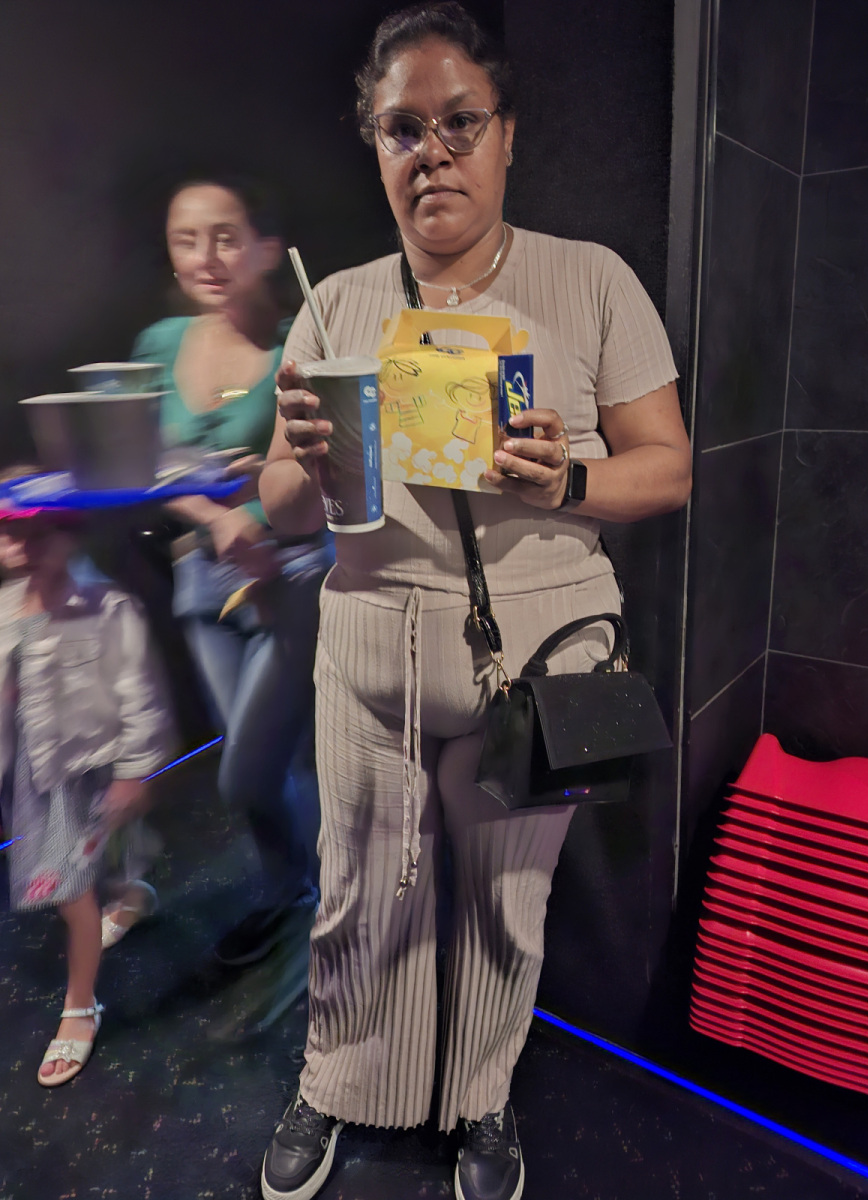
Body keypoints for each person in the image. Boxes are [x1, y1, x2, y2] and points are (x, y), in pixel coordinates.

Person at [258, 5, 692, 1198]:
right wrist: (301, 460)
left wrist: (573, 477)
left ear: (507, 136)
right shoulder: (336, 304)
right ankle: (340, 1082)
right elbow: (281, 506)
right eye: (403, 128)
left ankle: (483, 1098)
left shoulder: (590, 281)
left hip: (544, 646)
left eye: (461, 122)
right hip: (373, 644)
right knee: (358, 888)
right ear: (374, 144)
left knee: (507, 898)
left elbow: (670, 467)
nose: (433, 153)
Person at [132, 177, 332, 980]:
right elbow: (141, 460)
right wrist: (217, 514)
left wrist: (258, 495)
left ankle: (330, 899)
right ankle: (293, 892)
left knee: (251, 766)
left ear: (265, 247)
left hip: (289, 573)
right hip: (202, 579)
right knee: (264, 773)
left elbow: (323, 470)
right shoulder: (160, 342)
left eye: (224, 236)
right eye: (186, 240)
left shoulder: (300, 341)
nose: (205, 256)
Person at [0, 500, 170, 1087]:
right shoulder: (6, 608)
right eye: (8, 533)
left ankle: (79, 1006)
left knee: (69, 890)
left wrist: (133, 771)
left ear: (69, 535)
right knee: (97, 861)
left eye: (38, 533)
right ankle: (131, 894)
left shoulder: (106, 607)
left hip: (88, 766)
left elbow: (138, 691)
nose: (20, 548)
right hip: (35, 773)